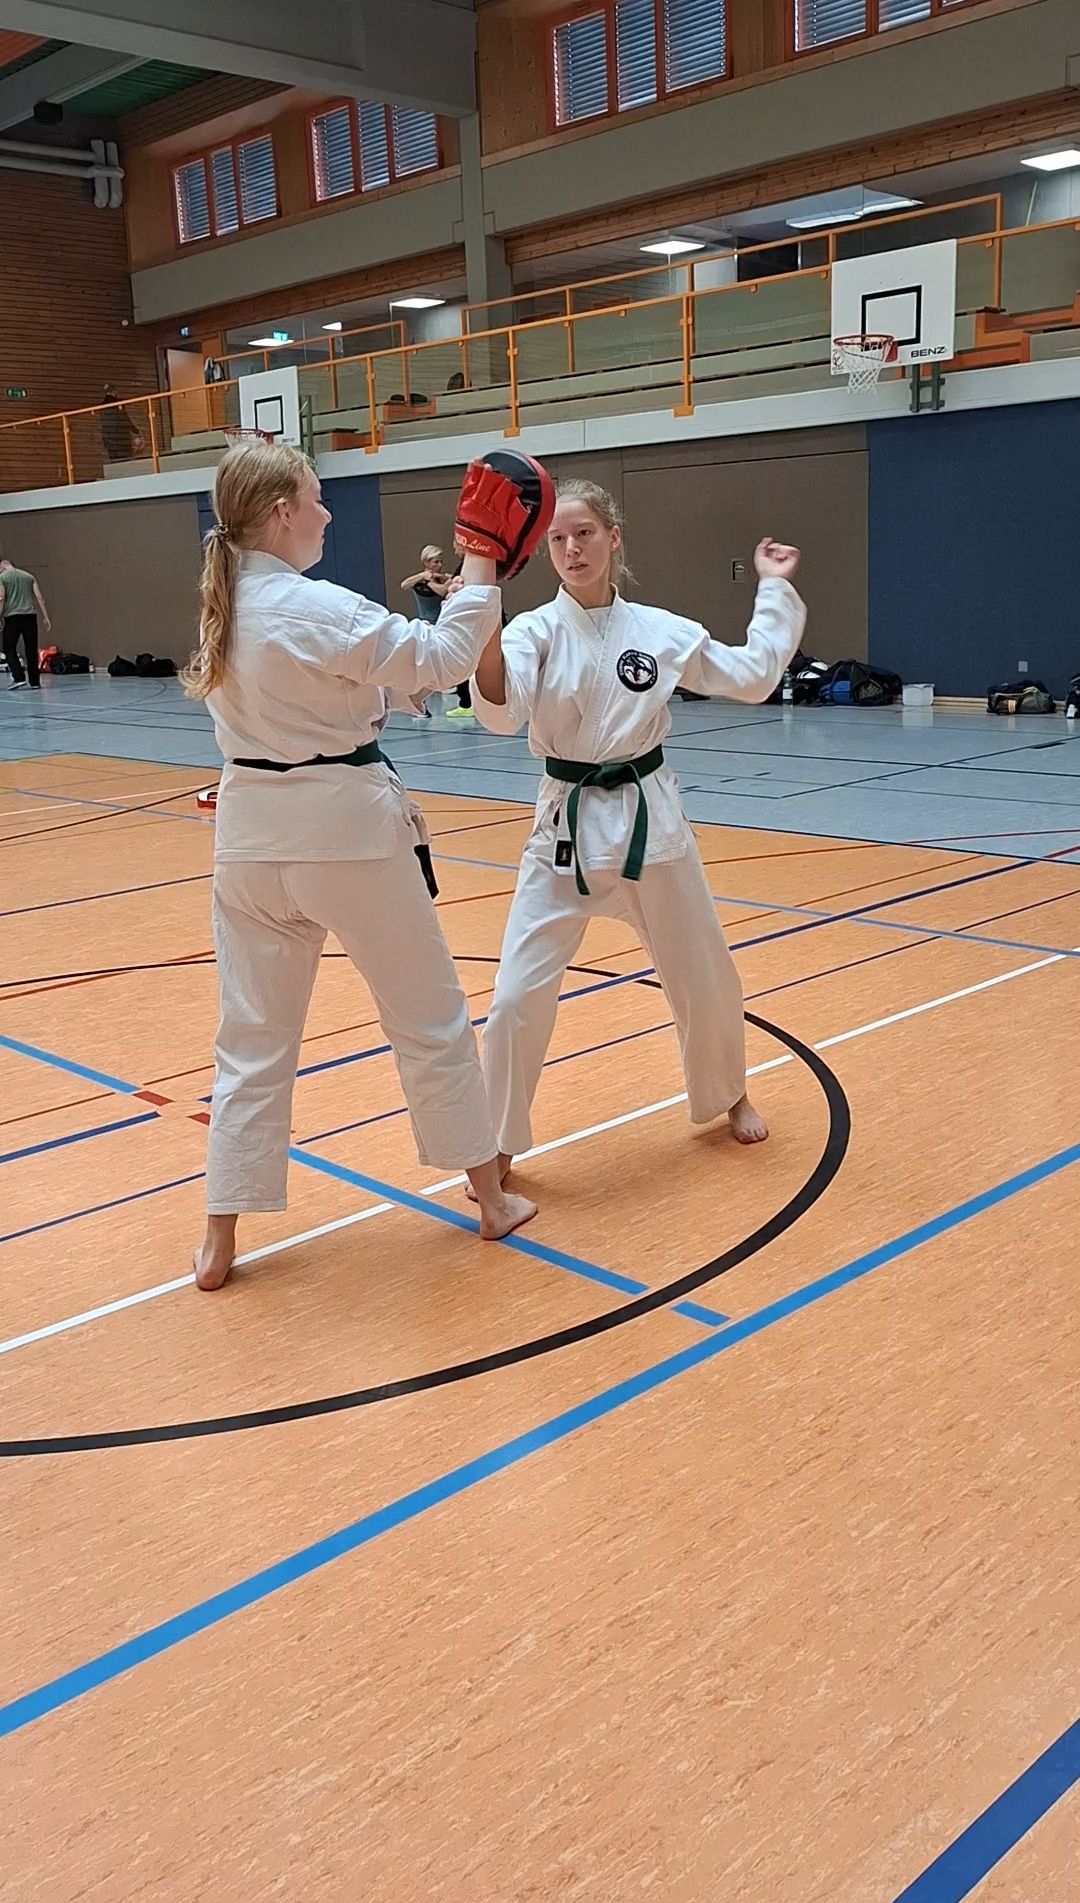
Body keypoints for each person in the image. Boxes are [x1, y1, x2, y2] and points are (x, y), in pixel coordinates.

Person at [185, 439, 541, 1291]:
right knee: (429, 1019)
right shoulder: (314, 605)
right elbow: (445, 661)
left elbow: (339, 686)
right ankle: (491, 1201)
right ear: (282, 513)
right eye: (316, 499)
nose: (326, 513)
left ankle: (218, 1240)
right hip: (345, 834)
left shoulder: (226, 605)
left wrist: (387, 688)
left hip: (250, 842)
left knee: (250, 1042)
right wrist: (481, 557)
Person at [469, 478, 806, 1187]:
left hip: (649, 820)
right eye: (558, 539)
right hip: (565, 825)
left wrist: (773, 589)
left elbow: (751, 678)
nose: (571, 549)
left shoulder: (660, 631)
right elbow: (499, 712)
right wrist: (482, 617)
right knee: (515, 995)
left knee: (702, 970)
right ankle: (497, 1139)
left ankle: (729, 1093)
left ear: (613, 537)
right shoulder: (533, 631)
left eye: (584, 533)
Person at [400, 542, 473, 718]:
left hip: (442, 627)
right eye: (435, 562)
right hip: (428, 627)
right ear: (426, 562)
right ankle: (417, 700)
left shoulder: (436, 579)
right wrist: (424, 576)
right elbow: (406, 585)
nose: (439, 565)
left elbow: (445, 587)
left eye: (440, 561)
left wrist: (444, 577)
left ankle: (434, 694)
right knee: (428, 668)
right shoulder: (423, 582)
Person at [0, 557, 51, 690]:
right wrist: (46, 617)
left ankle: (19, 677)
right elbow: (40, 598)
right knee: (31, 649)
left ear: (2, 568)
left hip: (13, 616)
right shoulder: (29, 576)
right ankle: (35, 682)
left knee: (9, 648)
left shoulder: (2, 578)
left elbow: (1, 598)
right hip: (30, 616)